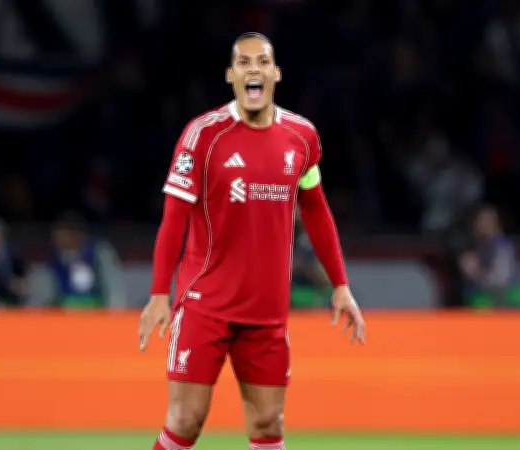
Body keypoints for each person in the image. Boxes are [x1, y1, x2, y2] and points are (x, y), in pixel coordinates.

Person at [138, 33, 366, 450]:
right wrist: (158, 294)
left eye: (262, 62)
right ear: (231, 76)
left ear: (276, 73)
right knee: (185, 421)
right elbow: (173, 219)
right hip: (206, 304)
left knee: (267, 423)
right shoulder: (202, 135)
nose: (253, 69)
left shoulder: (302, 137)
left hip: (266, 312)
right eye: (244, 63)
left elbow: (316, 210)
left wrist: (340, 284)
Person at [46, 212, 126, 308]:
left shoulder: (100, 252)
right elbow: (51, 294)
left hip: (98, 311)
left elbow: (113, 286)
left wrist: (113, 313)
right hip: (65, 314)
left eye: (59, 234)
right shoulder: (56, 258)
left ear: (73, 233)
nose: (55, 238)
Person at [459, 205, 520, 308]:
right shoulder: (479, 246)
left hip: (506, 303)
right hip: (485, 301)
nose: (484, 224)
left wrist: (475, 272)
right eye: (481, 221)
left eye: (488, 220)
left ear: (497, 223)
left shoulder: (503, 247)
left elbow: (501, 279)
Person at [290, 214, 331, 308]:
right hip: (291, 293)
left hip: (311, 292)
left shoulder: (309, 247)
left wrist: (307, 268)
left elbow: (324, 280)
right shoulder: (280, 246)